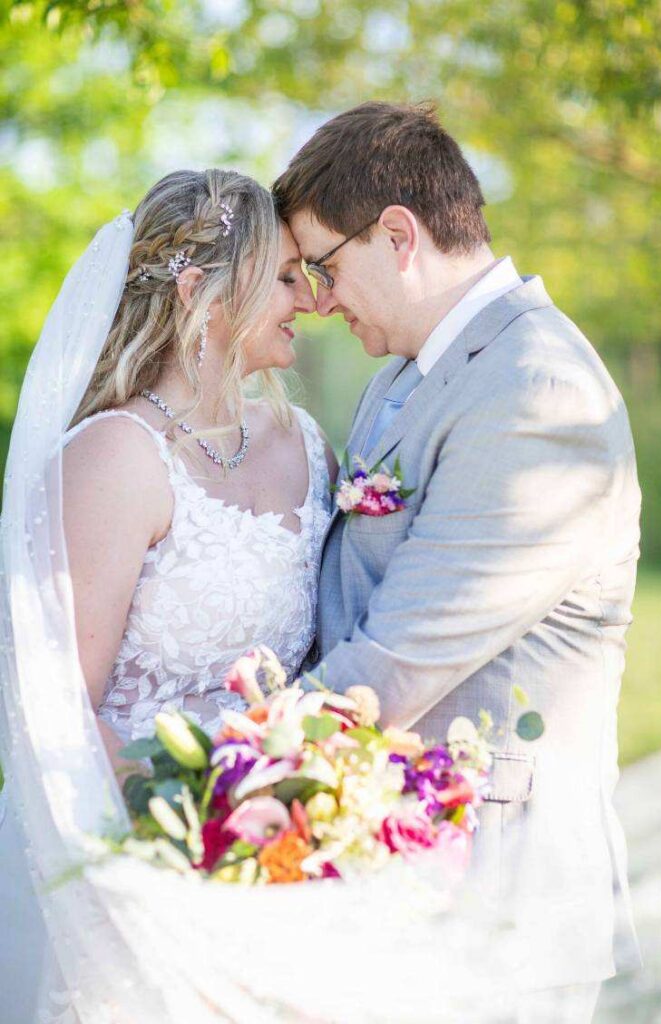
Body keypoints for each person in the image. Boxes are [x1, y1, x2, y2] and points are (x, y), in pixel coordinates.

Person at [273, 101, 642, 1022]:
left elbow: (401, 658)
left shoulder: (537, 390)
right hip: (399, 878)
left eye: (322, 266)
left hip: (496, 901)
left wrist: (219, 772)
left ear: (396, 235)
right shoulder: (405, 372)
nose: (315, 300)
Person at [0, 167, 335, 1023]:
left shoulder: (307, 444)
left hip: (288, 859)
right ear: (203, 296)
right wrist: (198, 833)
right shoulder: (114, 457)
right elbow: (54, 708)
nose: (313, 300)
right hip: (134, 861)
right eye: (286, 277)